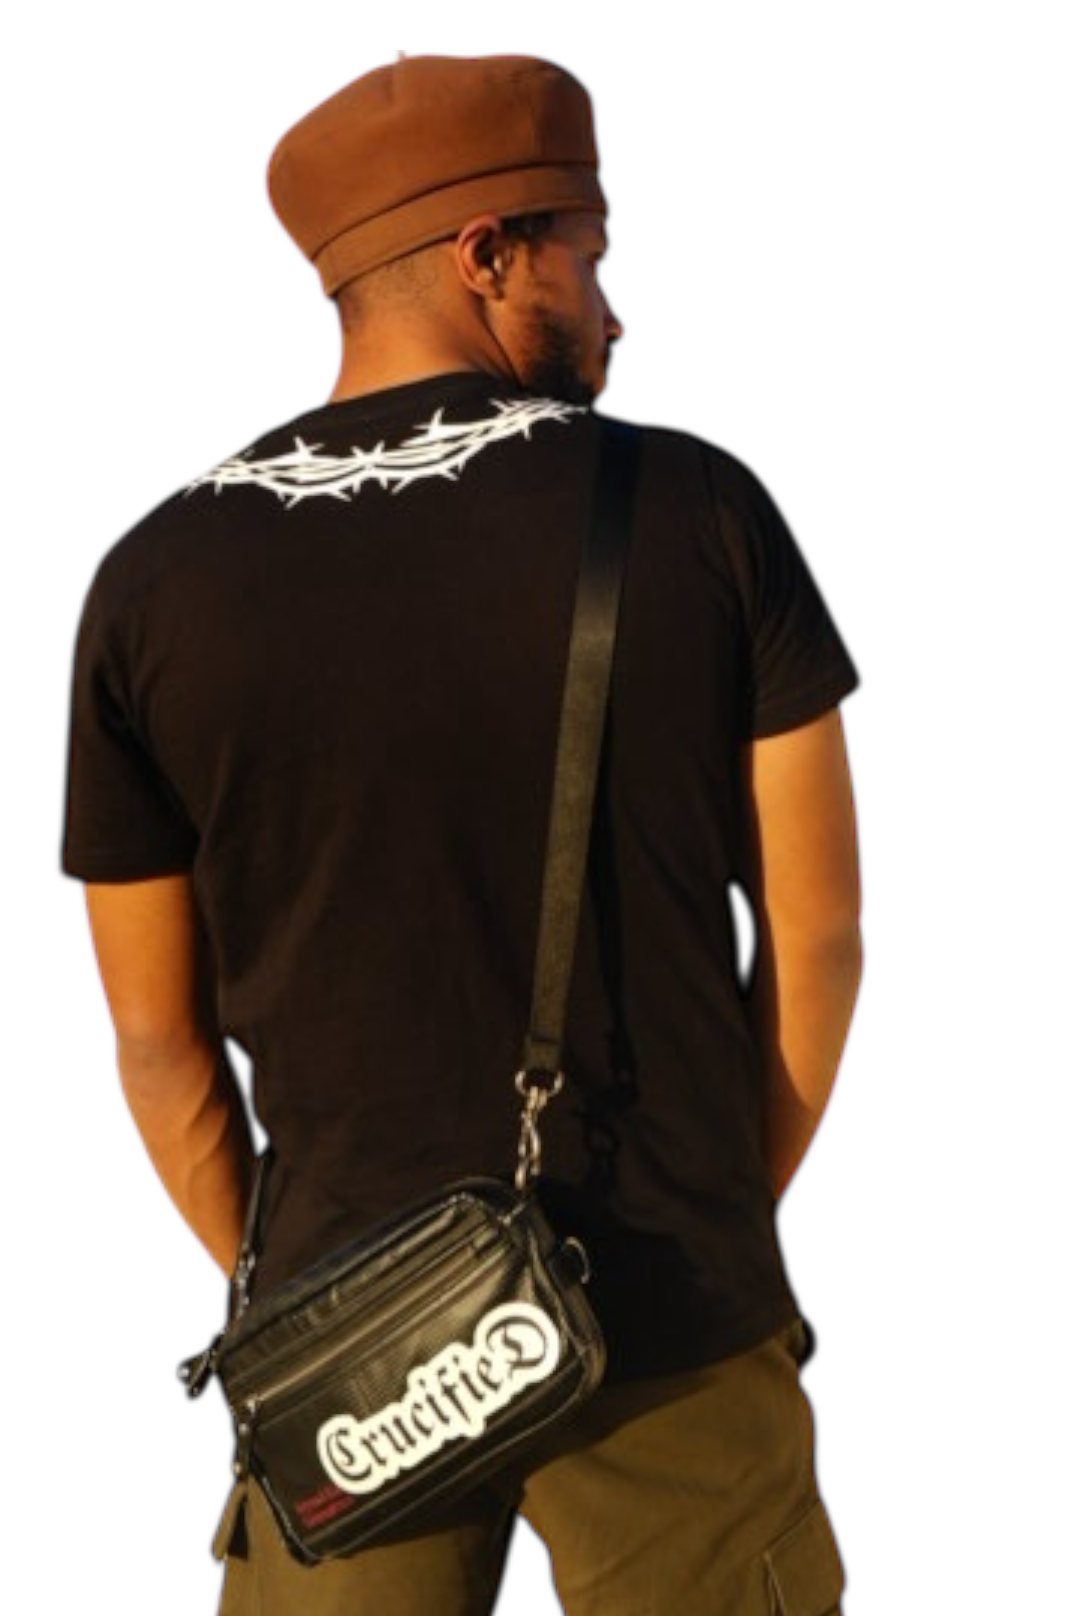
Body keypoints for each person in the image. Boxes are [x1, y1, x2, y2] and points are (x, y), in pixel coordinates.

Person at [57, 51, 864, 1616]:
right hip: (675, 1319)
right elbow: (817, 931)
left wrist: (321, 1290)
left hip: (353, 1375)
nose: (609, 309)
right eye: (586, 257)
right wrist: (710, 1211)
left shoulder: (151, 586)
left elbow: (154, 1045)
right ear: (487, 253)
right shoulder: (696, 511)